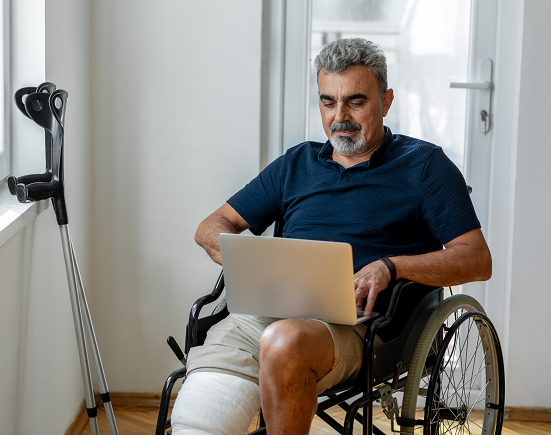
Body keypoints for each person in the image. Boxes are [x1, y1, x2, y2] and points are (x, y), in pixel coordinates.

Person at [171, 38, 492, 435]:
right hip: (266, 309)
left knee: (285, 341)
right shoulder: (296, 163)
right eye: (328, 102)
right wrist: (243, 255)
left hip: (363, 326)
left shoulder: (424, 166)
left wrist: (390, 267)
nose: (340, 116)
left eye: (355, 102)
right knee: (197, 422)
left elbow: (477, 258)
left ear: (386, 101)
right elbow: (212, 226)